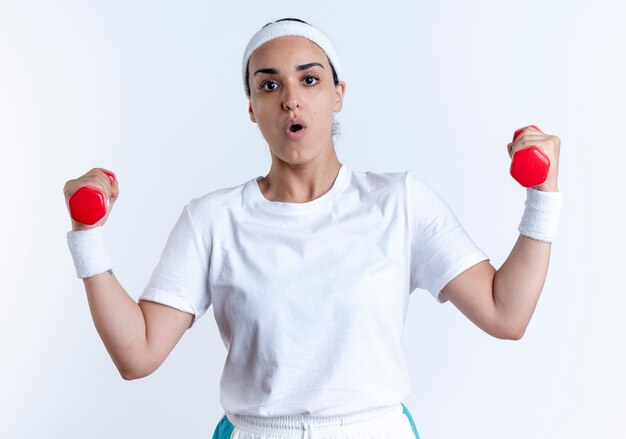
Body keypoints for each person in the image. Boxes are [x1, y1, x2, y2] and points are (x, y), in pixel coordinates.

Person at [63, 17, 563, 439]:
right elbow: (138, 354)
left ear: (338, 94)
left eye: (309, 80)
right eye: (269, 84)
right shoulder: (212, 220)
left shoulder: (399, 203)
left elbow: (506, 313)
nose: (290, 100)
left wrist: (542, 195)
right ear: (252, 108)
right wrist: (87, 236)